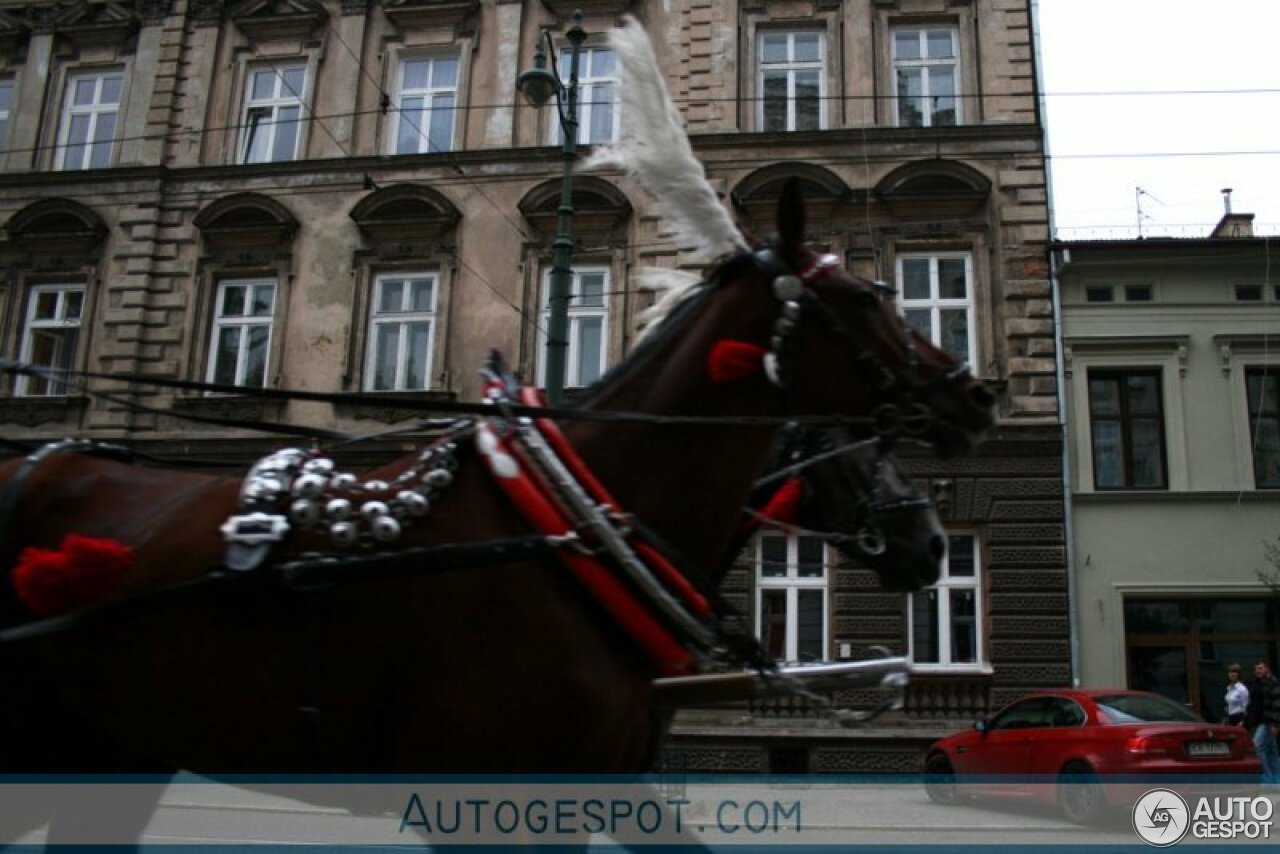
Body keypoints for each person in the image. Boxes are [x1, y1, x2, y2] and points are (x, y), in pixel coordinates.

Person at [1245, 659, 1280, 788]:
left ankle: (1267, 778)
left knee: (1257, 747)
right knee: (1271, 751)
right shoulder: (1258, 683)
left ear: (1267, 669)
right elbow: (1254, 703)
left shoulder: (1272, 683)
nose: (1257, 671)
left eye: (1260, 668)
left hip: (1267, 722)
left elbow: (1277, 704)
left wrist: (1275, 724)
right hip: (1259, 721)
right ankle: (1276, 780)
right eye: (1256, 669)